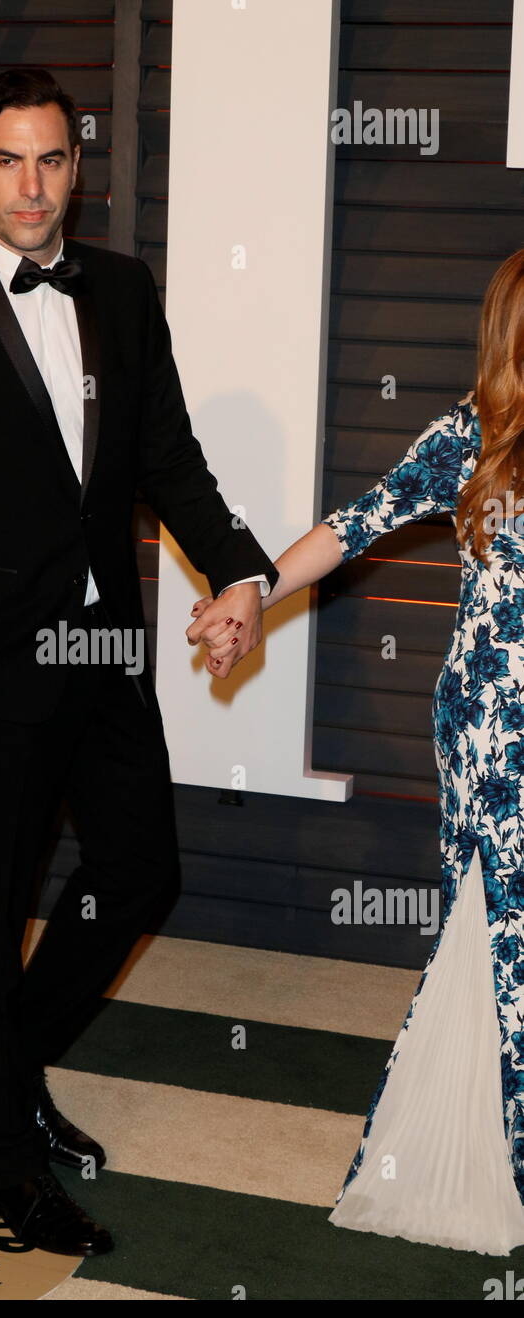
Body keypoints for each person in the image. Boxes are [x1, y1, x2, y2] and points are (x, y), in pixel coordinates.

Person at [0, 67, 279, 1257]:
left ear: (79, 167)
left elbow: (169, 462)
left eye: (53, 160)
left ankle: (5, 1068)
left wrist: (242, 571)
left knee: (141, 870)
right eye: (8, 161)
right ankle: (10, 1155)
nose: (32, 187)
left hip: (107, 649)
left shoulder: (125, 293)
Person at [229, 249, 524, 1256]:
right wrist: (254, 592)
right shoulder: (474, 434)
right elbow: (355, 524)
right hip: (494, 733)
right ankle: (493, 1153)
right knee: (501, 942)